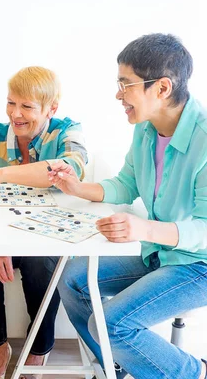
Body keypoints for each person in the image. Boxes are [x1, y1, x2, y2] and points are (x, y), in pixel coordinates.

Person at [51, 33, 207, 379]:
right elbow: (125, 183)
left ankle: (193, 372)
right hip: (160, 253)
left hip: (199, 266)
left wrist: (144, 229)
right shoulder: (146, 129)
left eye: (126, 84)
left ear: (162, 88)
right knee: (73, 278)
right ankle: (118, 365)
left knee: (111, 323)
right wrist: (76, 187)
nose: (118, 94)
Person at [0, 66, 88, 378]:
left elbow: (70, 170)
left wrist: (1, 175)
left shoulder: (67, 132)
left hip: (50, 233)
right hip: (3, 230)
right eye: (11, 103)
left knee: (40, 260)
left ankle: (39, 347)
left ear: (51, 108)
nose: (15, 114)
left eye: (27, 106)